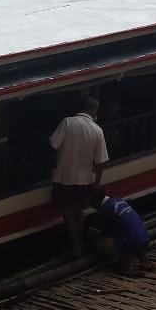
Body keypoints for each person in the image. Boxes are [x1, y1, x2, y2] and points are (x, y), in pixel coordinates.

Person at [49, 96, 109, 258]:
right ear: (94, 111)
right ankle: (80, 244)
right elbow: (101, 162)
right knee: (79, 211)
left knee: (67, 213)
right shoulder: (97, 130)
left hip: (65, 176)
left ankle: (76, 248)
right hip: (85, 179)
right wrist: (97, 182)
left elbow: (54, 144)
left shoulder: (67, 123)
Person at [92, 191, 151, 275]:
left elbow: (107, 234)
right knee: (131, 233)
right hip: (145, 237)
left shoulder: (105, 209)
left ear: (96, 201)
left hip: (133, 241)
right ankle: (144, 261)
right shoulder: (118, 200)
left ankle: (129, 265)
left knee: (104, 243)